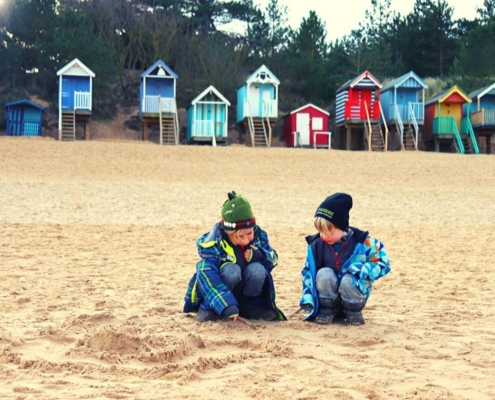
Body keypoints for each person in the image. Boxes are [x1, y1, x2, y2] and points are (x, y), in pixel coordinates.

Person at [184, 191, 286, 322]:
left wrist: (260, 256)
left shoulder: (258, 236)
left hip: (244, 294)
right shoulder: (214, 243)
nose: (247, 239)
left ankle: (250, 307)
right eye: (240, 236)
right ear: (229, 232)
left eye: (249, 233)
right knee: (231, 270)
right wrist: (227, 306)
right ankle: (209, 309)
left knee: (257, 269)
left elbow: (274, 259)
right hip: (216, 295)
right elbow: (206, 275)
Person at [300, 192, 390, 325]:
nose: (324, 236)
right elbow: (308, 273)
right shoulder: (316, 246)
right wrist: (307, 298)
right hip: (326, 300)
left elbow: (384, 264)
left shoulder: (363, 243)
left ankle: (353, 312)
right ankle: (328, 310)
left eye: (329, 232)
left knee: (349, 279)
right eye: (321, 232)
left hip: (354, 298)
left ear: (341, 227)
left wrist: (358, 270)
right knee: (324, 273)